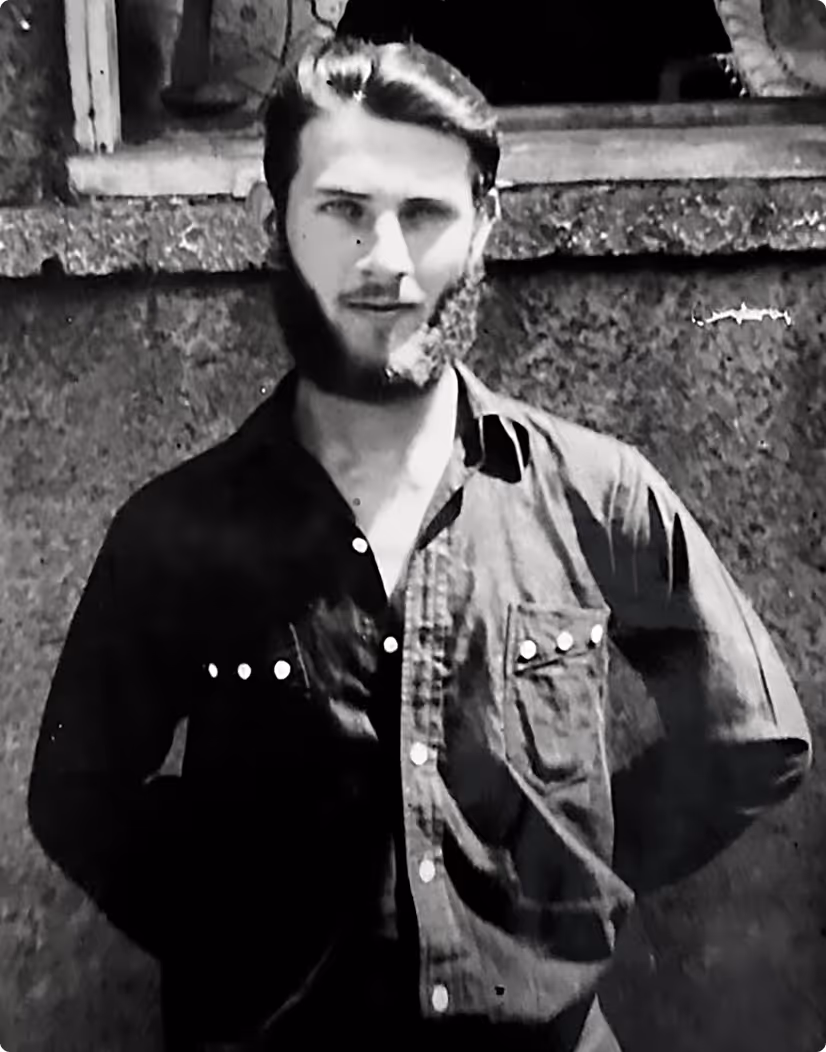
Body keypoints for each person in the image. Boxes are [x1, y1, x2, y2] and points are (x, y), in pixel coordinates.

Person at [27, 35, 811, 1052]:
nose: (385, 260)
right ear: (273, 224)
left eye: (425, 213)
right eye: (343, 210)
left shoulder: (593, 494)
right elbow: (76, 790)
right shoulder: (175, 531)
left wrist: (563, 884)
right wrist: (242, 934)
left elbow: (752, 737)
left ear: (485, 225)